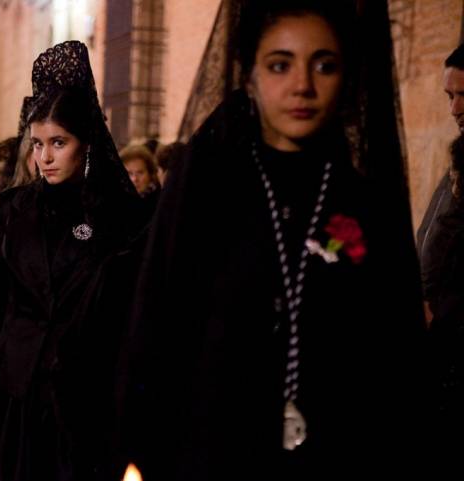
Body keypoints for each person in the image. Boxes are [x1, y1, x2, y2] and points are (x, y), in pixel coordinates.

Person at [117, 1, 427, 479]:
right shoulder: (209, 192)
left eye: (324, 65)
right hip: (214, 454)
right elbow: (158, 330)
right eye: (280, 65)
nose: (302, 85)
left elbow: (396, 359)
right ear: (250, 77)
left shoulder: (366, 203)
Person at [0, 41, 146, 481]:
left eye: (59, 142)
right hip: (15, 391)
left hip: (84, 398)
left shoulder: (118, 217)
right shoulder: (14, 207)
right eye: (37, 144)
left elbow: (131, 310)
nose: (46, 157)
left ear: (85, 144)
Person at [416, 42, 464, 464]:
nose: (454, 109)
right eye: (449, 97)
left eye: (462, 95)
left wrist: (441, 311)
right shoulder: (457, 161)